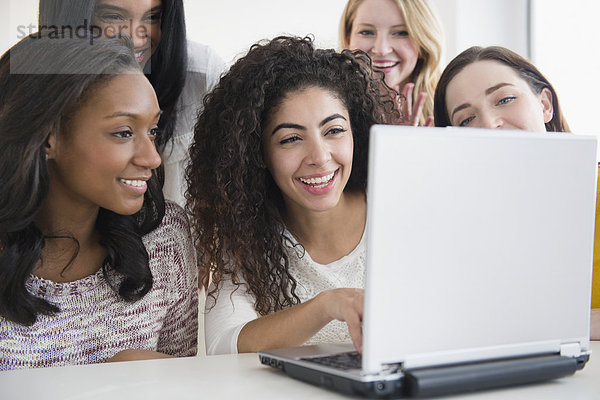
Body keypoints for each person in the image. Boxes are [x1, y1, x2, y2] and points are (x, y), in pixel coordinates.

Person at [187, 36, 398, 355]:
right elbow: (224, 345)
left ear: (356, 132)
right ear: (257, 155)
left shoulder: (395, 210)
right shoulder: (250, 238)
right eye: (290, 139)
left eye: (334, 130)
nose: (319, 156)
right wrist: (326, 306)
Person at [0, 34, 198, 370]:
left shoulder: (165, 238)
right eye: (123, 132)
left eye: (152, 130)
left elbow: (180, 381)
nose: (152, 158)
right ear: (49, 138)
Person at [433, 45, 599, 340]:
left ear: (545, 105)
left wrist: (576, 325)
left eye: (505, 99)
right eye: (466, 119)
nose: (490, 125)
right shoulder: (464, 227)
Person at [38, 0, 226, 208]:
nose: (136, 40)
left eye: (153, 16)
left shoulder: (202, 76)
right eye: (113, 16)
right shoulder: (28, 88)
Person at [339, 0, 443, 126]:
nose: (381, 50)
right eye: (366, 32)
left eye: (401, 33)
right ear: (348, 39)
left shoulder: (448, 109)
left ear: (423, 42)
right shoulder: (327, 106)